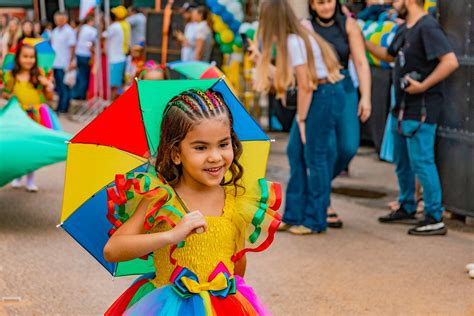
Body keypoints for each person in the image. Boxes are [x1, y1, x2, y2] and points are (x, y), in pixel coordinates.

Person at [103, 89, 281, 314]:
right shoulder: (161, 198)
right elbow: (113, 249)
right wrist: (172, 235)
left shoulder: (237, 202)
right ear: (176, 153)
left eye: (223, 144)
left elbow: (237, 264)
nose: (215, 156)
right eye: (200, 147)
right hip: (168, 306)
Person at [366, 0, 459, 236]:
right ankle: (407, 205)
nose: (391, 3)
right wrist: (360, 41)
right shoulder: (405, 27)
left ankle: (434, 216)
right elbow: (389, 56)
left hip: (422, 108)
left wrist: (423, 86)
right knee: (403, 161)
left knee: (422, 162)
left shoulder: (427, 27)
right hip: (403, 108)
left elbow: (450, 61)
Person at [254, 0, 344, 235]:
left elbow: (306, 85)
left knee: (315, 158)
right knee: (297, 152)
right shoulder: (296, 37)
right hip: (321, 94)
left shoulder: (294, 41)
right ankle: (294, 214)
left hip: (322, 95)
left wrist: (302, 119)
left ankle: (315, 220)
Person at [306, 0, 372, 228]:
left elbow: (361, 62)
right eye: (319, 2)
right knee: (327, 149)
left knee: (348, 147)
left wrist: (366, 96)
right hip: (319, 88)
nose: (325, 7)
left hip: (345, 88)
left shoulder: (348, 25)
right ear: (312, 5)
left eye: (329, 1)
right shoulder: (306, 27)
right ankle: (324, 202)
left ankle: (317, 187)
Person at [3, 42, 54, 192]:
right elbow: (6, 93)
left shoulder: (39, 75)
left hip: (36, 116)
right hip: (18, 116)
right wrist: (8, 94)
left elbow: (48, 97)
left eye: (32, 57)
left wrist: (47, 86)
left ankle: (30, 180)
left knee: (32, 149)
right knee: (19, 148)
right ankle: (18, 176)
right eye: (25, 56)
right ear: (18, 58)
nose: (28, 60)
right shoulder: (12, 75)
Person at [51, 11, 76, 113]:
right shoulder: (55, 31)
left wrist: (71, 61)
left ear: (65, 19)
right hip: (55, 63)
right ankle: (60, 106)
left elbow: (73, 47)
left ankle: (64, 108)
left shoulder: (69, 31)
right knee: (59, 88)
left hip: (64, 63)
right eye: (57, 20)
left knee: (65, 87)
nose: (59, 21)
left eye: (61, 19)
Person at [72, 15, 97, 100]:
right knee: (85, 76)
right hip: (87, 55)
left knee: (79, 75)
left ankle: (76, 93)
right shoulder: (92, 30)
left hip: (78, 54)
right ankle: (82, 95)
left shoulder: (80, 29)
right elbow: (95, 42)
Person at [102, 11, 126, 100]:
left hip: (116, 59)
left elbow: (100, 37)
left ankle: (111, 103)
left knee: (114, 85)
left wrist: (100, 26)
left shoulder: (113, 27)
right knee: (115, 84)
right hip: (117, 58)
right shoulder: (116, 26)